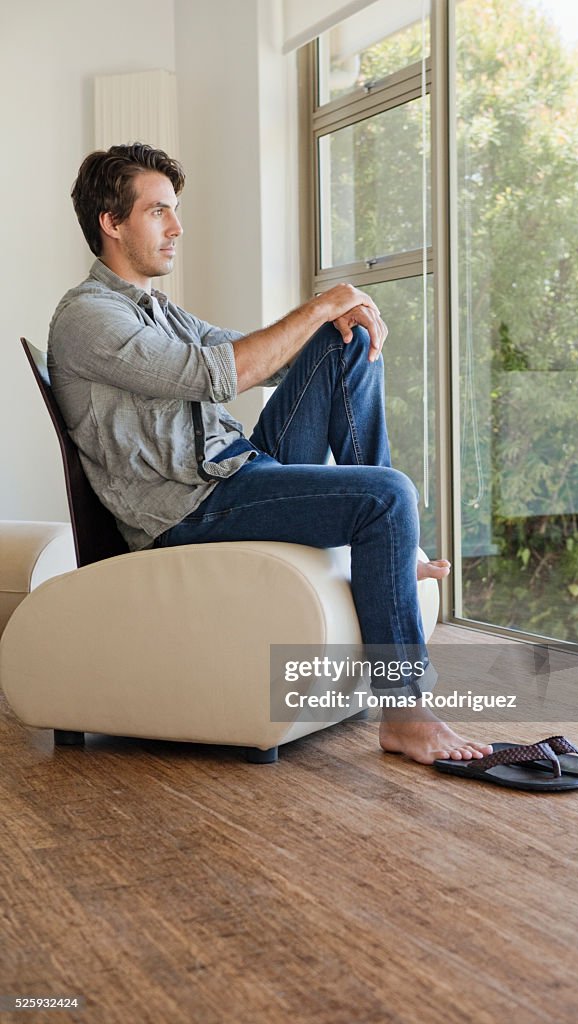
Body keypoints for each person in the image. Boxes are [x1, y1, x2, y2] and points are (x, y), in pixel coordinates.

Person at [48, 142, 493, 766]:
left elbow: (266, 361)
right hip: (188, 512)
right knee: (387, 494)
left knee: (342, 345)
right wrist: (322, 304)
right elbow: (217, 375)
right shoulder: (89, 318)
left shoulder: (161, 311)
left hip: (235, 472)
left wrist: (336, 320)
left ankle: (392, 549)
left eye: (175, 210)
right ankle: (406, 712)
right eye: (158, 212)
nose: (177, 227)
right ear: (112, 222)